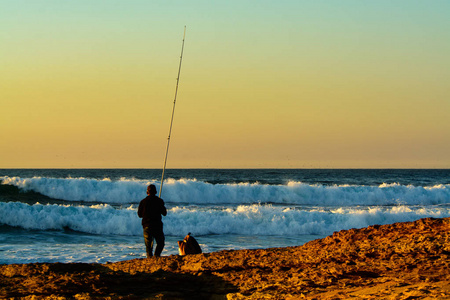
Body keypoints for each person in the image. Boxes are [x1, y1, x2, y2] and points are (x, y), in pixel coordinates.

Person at [137, 184, 167, 257]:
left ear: (147, 192)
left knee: (148, 246)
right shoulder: (159, 201)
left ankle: (149, 258)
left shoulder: (143, 202)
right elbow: (164, 213)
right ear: (156, 192)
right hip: (157, 226)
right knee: (160, 243)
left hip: (147, 226)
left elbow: (139, 215)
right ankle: (156, 255)